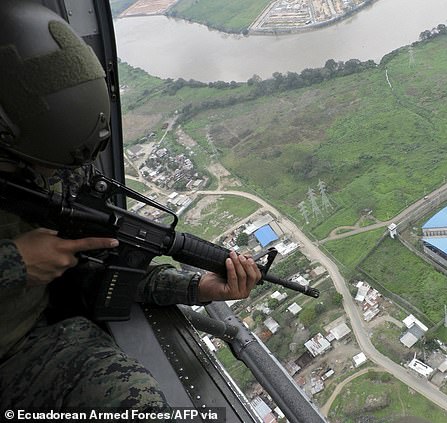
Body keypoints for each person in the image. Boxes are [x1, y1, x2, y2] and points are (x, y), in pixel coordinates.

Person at [0, 0, 261, 410]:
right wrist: (14, 263)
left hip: (35, 340)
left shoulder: (61, 161)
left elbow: (104, 266)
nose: (57, 175)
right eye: (43, 165)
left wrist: (198, 286)